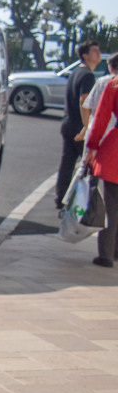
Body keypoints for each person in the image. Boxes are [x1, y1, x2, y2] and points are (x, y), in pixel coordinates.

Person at [56, 40, 103, 208]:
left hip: (67, 123)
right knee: (88, 166)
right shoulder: (88, 76)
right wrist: (86, 127)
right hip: (78, 126)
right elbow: (84, 99)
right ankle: (84, 205)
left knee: (67, 165)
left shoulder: (76, 72)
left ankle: (61, 200)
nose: (98, 53)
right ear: (85, 55)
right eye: (95, 51)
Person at [83, 72, 118, 268]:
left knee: (112, 205)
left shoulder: (114, 84)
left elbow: (101, 117)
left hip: (116, 148)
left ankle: (107, 253)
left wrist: (92, 146)